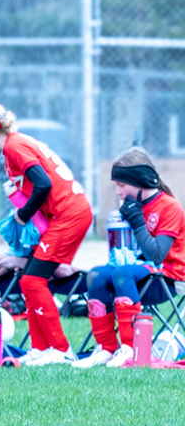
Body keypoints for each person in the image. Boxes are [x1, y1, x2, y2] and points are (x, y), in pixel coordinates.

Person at [0, 100, 93, 365]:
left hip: (68, 216)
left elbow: (43, 184)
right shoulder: (16, 144)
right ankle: (40, 348)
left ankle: (60, 349)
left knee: (33, 280)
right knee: (29, 280)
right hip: (63, 216)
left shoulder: (14, 146)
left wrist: (23, 215)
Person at [72, 148, 185, 368]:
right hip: (138, 273)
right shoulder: (132, 206)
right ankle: (106, 348)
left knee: (122, 273)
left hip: (168, 278)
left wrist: (137, 222)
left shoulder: (170, 207)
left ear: (140, 181)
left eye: (121, 185)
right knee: (96, 274)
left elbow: (156, 255)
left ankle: (131, 349)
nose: (118, 192)